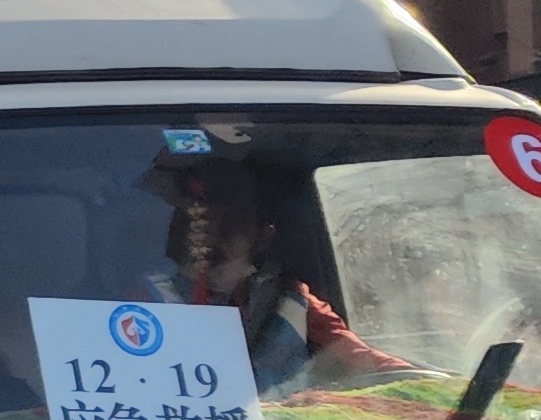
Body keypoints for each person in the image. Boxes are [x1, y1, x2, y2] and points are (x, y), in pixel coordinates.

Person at [157, 154, 414, 393]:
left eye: (231, 225)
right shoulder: (154, 298)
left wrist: (416, 379)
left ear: (263, 236)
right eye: (203, 223)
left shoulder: (291, 297)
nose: (214, 235)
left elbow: (357, 355)